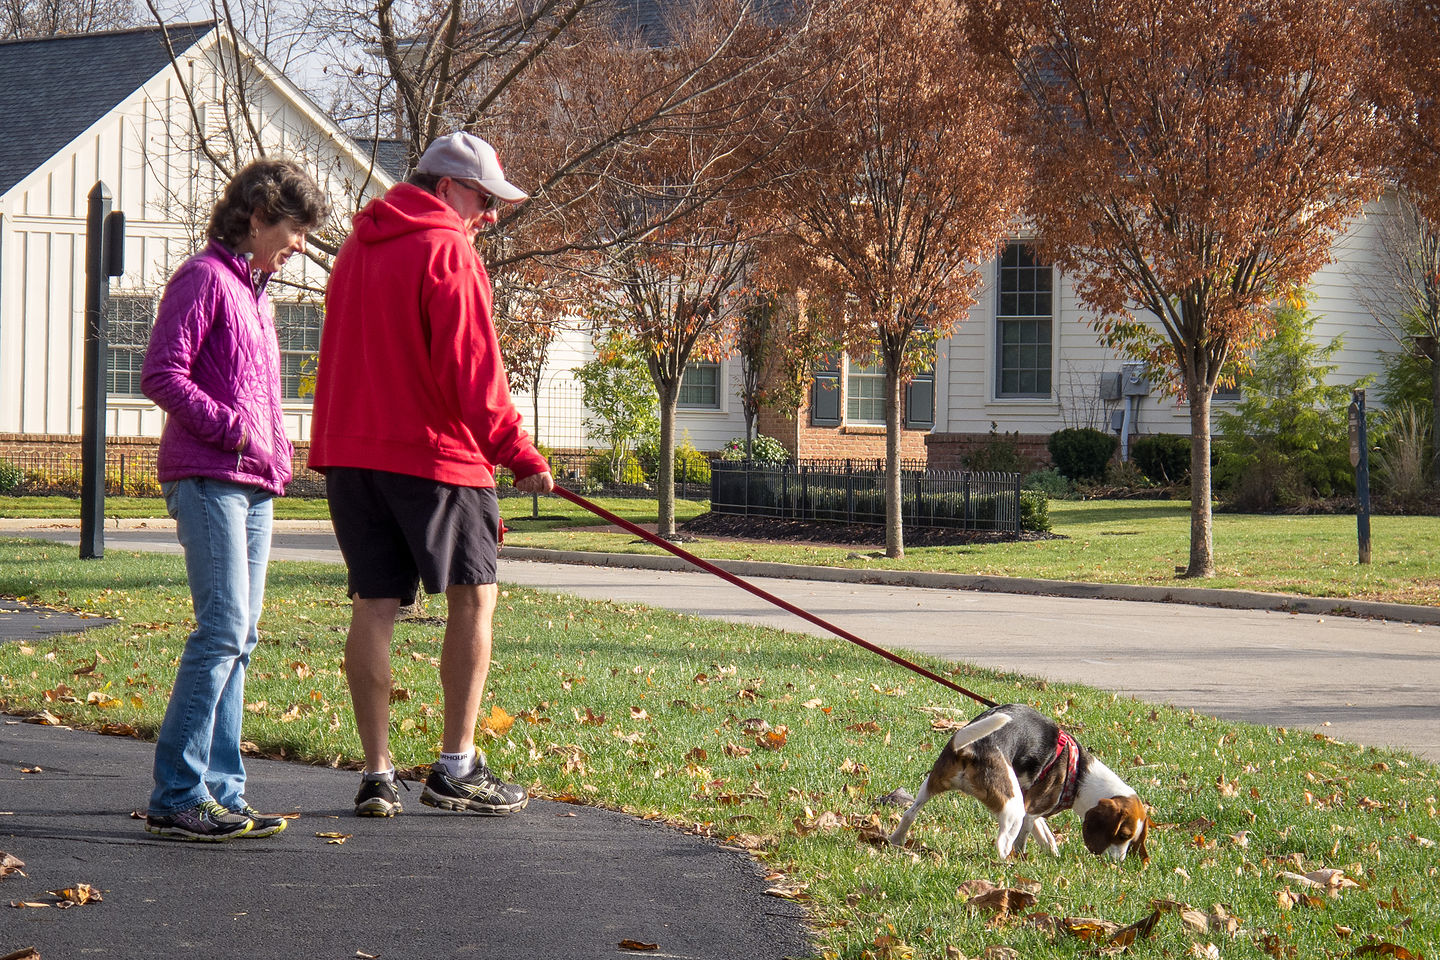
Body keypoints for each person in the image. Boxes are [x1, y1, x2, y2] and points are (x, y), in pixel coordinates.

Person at [310, 132, 554, 819]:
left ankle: (377, 774)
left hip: (353, 456)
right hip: (435, 457)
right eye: (484, 198)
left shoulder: (357, 248)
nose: (491, 214)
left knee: (374, 606)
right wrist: (517, 452)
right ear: (447, 188)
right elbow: (472, 367)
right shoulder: (448, 248)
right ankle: (455, 766)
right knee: (474, 598)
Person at [141, 159, 330, 841]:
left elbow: (261, 396)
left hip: (253, 482)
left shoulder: (256, 294)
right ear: (256, 219)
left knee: (240, 637)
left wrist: (274, 454)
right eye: (294, 230)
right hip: (207, 475)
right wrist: (236, 431)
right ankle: (177, 792)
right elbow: (162, 375)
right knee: (221, 628)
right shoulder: (203, 278)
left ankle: (221, 789)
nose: (300, 244)